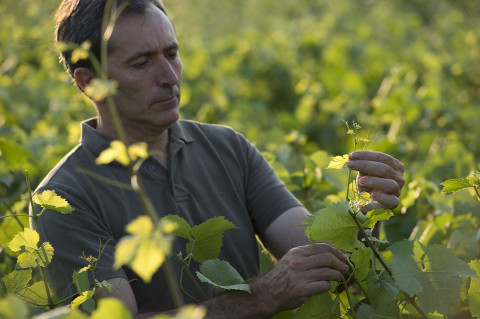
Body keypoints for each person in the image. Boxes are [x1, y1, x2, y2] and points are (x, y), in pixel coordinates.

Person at [34, 0, 405, 318]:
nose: (169, 77)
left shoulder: (228, 147)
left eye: (172, 54)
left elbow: (327, 264)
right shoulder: (64, 197)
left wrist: (366, 211)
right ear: (88, 81)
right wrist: (261, 297)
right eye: (142, 63)